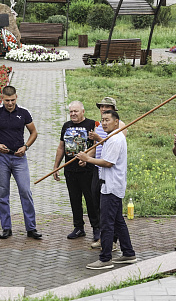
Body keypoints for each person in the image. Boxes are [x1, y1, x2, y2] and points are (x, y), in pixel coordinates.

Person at [77, 110, 138, 269]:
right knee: (117, 221)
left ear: (116, 122)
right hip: (109, 185)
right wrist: (90, 156)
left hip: (111, 187)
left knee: (106, 223)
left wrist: (87, 158)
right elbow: (107, 154)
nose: (104, 123)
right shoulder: (112, 137)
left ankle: (105, 259)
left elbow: (108, 162)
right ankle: (128, 253)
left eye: (107, 120)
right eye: (102, 120)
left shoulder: (116, 139)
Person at [0, 85, 42, 240]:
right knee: (3, 193)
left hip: (19, 158)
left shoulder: (23, 113)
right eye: (7, 100)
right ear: (2, 99)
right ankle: (6, 228)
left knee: (25, 191)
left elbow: (34, 132)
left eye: (12, 100)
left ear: (16, 97)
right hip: (1, 157)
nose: (10, 103)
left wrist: (26, 146)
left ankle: (31, 228)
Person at [52, 101, 99, 241]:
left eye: (76, 111)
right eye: (71, 111)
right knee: (74, 200)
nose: (73, 114)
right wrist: (56, 166)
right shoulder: (66, 126)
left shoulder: (92, 125)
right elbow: (61, 147)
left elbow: (96, 146)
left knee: (91, 200)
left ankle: (96, 228)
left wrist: (87, 158)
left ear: (83, 111)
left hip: (87, 170)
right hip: (70, 170)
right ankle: (78, 227)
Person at [88, 97, 126, 249]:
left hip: (111, 176)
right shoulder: (99, 126)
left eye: (107, 107)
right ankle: (105, 239)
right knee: (98, 206)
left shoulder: (119, 127)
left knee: (112, 215)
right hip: (99, 171)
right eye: (101, 107)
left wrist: (98, 139)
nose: (103, 109)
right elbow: (96, 147)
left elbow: (113, 151)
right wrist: (86, 157)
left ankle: (110, 244)